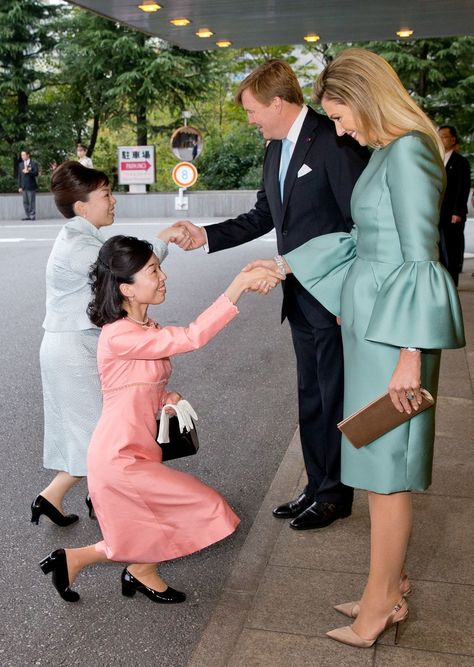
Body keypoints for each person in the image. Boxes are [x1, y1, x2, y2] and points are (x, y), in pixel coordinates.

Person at [245, 48, 465, 647]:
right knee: (373, 466)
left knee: (385, 474)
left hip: (394, 338)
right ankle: (386, 588)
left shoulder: (411, 153)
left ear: (367, 99)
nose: (339, 130)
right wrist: (288, 265)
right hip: (374, 330)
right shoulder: (391, 153)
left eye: (341, 116)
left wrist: (410, 357)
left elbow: (421, 261)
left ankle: (379, 606)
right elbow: (359, 242)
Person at [173, 59, 369, 530]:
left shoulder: (335, 141)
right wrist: (206, 236)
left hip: (333, 296)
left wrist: (352, 299)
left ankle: (334, 495)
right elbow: (266, 215)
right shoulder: (274, 148)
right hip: (298, 294)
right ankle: (316, 484)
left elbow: (361, 226)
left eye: (252, 110)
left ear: (277, 102)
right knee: (311, 397)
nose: (250, 119)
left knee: (334, 396)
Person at [39, 235, 281, 603]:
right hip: (119, 457)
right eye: (153, 270)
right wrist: (238, 286)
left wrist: (165, 398)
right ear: (126, 289)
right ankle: (132, 568)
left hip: (137, 450)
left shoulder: (144, 327)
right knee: (207, 507)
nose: (163, 276)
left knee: (143, 528)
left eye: (159, 267)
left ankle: (115, 567)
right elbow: (192, 336)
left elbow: (132, 385)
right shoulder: (119, 334)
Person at [32, 161, 190, 527]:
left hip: (80, 345)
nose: (113, 200)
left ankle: (52, 498)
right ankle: (112, 510)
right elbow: (126, 271)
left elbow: (123, 261)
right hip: (73, 350)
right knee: (103, 436)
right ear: (82, 206)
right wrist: (163, 241)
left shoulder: (85, 237)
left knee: (100, 432)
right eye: (106, 194)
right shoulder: (78, 244)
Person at [437, 125, 471, 286]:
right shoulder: (437, 159)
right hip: (438, 212)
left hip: (453, 213)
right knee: (439, 247)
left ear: (452, 139)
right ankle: (442, 281)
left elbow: (462, 189)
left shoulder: (460, 162)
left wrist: (457, 211)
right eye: (439, 136)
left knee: (452, 246)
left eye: (444, 136)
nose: (441, 139)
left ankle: (453, 281)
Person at [18, 149, 39, 221]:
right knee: (25, 202)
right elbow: (19, 176)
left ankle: (32, 215)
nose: (22, 156)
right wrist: (19, 186)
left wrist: (28, 172)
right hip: (23, 186)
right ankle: (28, 215)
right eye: (21, 155)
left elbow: (36, 173)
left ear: (28, 155)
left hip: (31, 185)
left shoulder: (33, 163)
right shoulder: (20, 164)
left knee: (31, 201)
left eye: (23, 155)